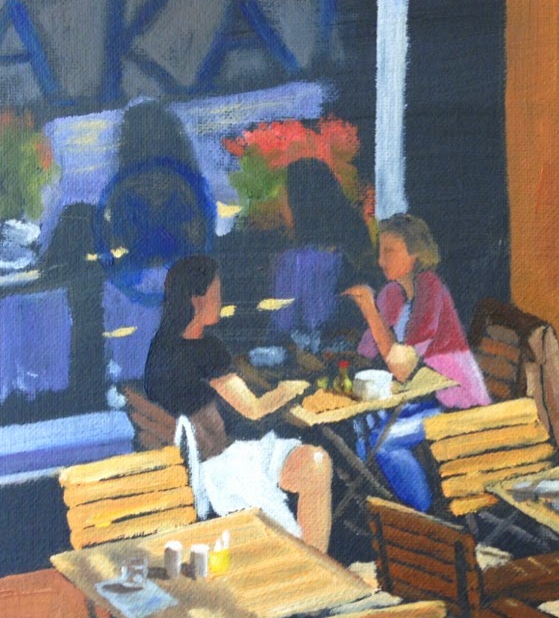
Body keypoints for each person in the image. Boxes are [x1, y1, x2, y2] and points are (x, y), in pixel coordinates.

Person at [145, 254, 332, 550]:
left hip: (231, 455)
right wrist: (292, 387)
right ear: (197, 300)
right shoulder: (206, 349)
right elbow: (254, 409)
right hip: (221, 470)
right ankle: (315, 568)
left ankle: (320, 569)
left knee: (315, 463)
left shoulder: (160, 348)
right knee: (293, 537)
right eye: (216, 294)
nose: (220, 302)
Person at [343, 213, 490, 510]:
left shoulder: (430, 288)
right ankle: (388, 506)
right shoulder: (391, 293)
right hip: (418, 397)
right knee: (361, 428)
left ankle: (421, 515)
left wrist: (370, 310)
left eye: (390, 251)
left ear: (415, 255)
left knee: (383, 442)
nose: (381, 261)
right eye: (380, 251)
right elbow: (367, 352)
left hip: (454, 402)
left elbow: (403, 367)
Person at [270, 158, 376, 352]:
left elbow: (281, 331)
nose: (280, 208)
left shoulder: (294, 262)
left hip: (311, 358)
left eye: (284, 198)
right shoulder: (356, 248)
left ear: (298, 203)